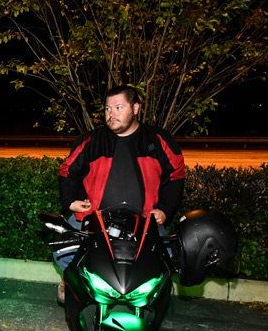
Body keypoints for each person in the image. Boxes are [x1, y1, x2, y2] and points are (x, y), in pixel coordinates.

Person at [56, 85, 185, 301]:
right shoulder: (90, 141)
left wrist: (164, 209)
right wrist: (70, 202)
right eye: (108, 109)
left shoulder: (158, 140)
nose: (111, 114)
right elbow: (67, 170)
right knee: (64, 248)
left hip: (144, 220)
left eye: (118, 107)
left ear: (135, 108)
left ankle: (147, 294)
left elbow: (176, 175)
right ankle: (71, 279)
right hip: (95, 218)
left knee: (171, 256)